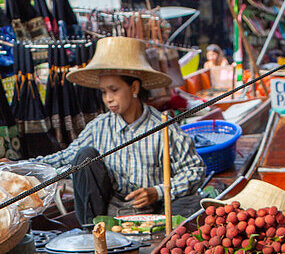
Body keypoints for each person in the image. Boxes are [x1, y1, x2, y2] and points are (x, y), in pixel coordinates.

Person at [33, 36, 207, 224]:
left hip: (156, 212)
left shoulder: (164, 127)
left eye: (114, 90)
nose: (108, 99)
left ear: (134, 87)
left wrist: (157, 191)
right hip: (111, 212)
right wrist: (21, 168)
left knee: (196, 203)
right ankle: (90, 229)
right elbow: (65, 158)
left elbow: (194, 170)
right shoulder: (99, 127)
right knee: (84, 156)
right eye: (103, 92)